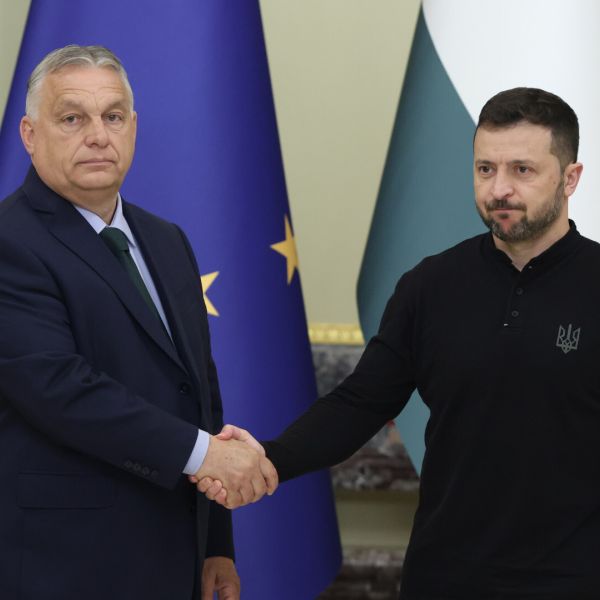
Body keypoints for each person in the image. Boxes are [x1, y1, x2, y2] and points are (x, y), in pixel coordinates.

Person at [200, 88, 600, 599]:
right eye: (485, 169)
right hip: (445, 577)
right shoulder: (430, 285)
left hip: (574, 578)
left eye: (522, 170)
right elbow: (360, 403)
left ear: (570, 178)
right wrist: (270, 459)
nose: (499, 189)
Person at [0, 44, 277, 600]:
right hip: (66, 565)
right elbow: (61, 388)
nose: (98, 136)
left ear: (133, 126)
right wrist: (208, 455)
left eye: (113, 116)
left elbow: (199, 392)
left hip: (174, 555)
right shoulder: (10, 241)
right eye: (72, 118)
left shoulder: (166, 240)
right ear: (30, 135)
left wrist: (215, 543)